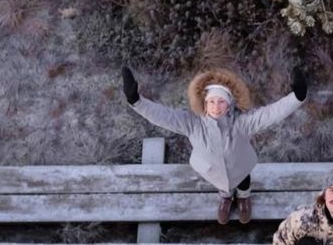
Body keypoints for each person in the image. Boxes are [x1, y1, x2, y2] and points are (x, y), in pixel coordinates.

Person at [122, 65, 307, 224]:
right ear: (204, 103)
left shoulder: (242, 123)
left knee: (243, 180)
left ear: (229, 105)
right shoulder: (193, 124)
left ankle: (243, 198)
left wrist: (296, 97)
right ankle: (226, 197)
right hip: (212, 169)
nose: (215, 106)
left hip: (239, 166)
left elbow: (269, 114)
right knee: (220, 181)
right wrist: (137, 101)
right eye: (211, 101)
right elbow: (165, 116)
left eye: (221, 102)